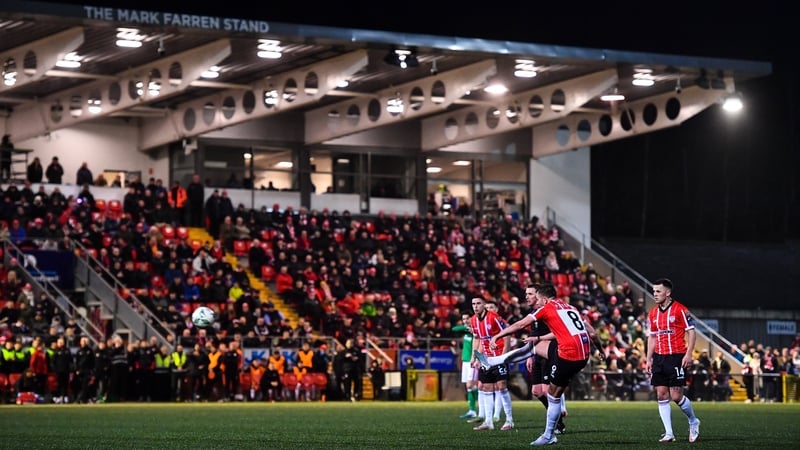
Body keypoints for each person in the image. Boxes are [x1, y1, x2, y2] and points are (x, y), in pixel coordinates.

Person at [477, 283, 601, 446]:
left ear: (544, 299)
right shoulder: (570, 307)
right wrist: (601, 350)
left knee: (552, 395)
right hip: (582, 352)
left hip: (569, 356)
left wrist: (497, 336)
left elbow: (520, 325)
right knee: (534, 347)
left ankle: (549, 434)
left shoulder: (546, 308)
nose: (534, 300)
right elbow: (592, 333)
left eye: (536, 297)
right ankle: (492, 361)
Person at [644, 278, 701, 443]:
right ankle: (669, 433)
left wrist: (688, 354)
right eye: (654, 291)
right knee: (661, 395)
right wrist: (648, 359)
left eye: (658, 291)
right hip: (659, 358)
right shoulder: (653, 313)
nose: (655, 294)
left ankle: (693, 421)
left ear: (667, 292)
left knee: (676, 396)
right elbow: (652, 337)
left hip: (676, 357)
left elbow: (691, 332)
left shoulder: (680, 310)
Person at [469, 297, 514, 432]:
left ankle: (509, 420)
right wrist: (474, 357)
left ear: (484, 305)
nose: (475, 306)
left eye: (478, 303)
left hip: (498, 356)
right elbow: (477, 339)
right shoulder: (473, 320)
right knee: (486, 387)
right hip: (485, 358)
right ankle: (488, 422)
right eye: (473, 304)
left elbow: (507, 334)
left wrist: (504, 355)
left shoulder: (494, 317)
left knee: (502, 386)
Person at [452, 311, 479, 420]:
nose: (465, 321)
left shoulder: (476, 330)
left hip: (472, 360)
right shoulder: (466, 331)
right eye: (463, 319)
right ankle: (472, 410)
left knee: (470, 385)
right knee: (470, 387)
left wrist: (472, 329)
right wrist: (467, 327)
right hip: (465, 361)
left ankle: (481, 406)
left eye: (467, 318)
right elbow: (454, 329)